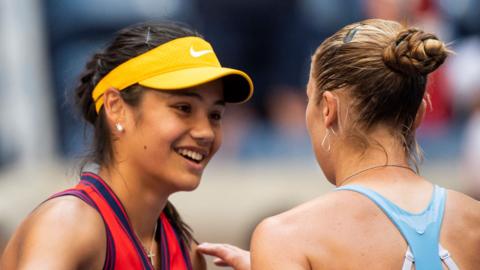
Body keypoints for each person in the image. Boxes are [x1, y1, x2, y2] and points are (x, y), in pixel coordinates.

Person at [198, 19, 480, 270]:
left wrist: (277, 258)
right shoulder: (473, 220)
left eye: (310, 99)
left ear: (328, 109)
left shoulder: (288, 236)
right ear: (419, 114)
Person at [0, 22, 253, 269]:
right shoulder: (67, 223)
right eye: (183, 108)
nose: (205, 132)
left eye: (215, 116)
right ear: (116, 107)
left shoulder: (187, 252)